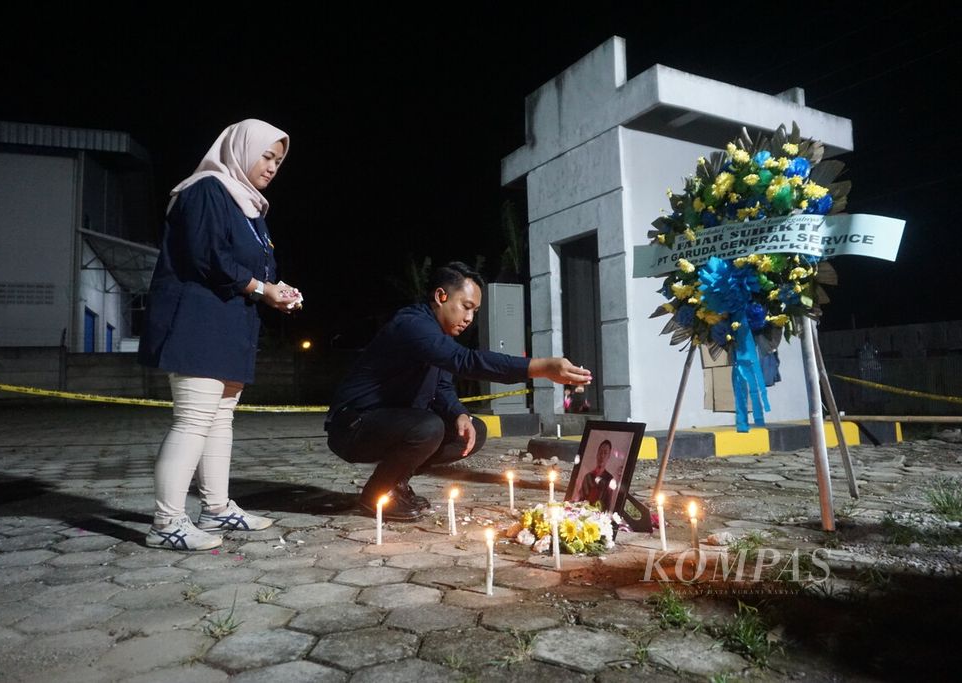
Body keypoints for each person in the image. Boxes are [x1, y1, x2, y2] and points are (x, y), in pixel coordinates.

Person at [138, 119, 301, 551]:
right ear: (240, 148)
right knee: (192, 420)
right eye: (266, 155)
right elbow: (207, 255)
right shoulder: (207, 188)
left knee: (221, 418)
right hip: (198, 320)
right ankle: (166, 523)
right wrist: (262, 289)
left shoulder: (251, 206)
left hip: (231, 324)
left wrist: (277, 291)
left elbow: (255, 269)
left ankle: (216, 509)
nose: (272, 167)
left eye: (279, 161)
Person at [326, 261, 592, 521]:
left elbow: (441, 386)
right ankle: (376, 493)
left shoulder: (439, 336)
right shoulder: (412, 325)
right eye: (466, 307)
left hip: (390, 423)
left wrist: (459, 414)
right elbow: (466, 361)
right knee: (428, 427)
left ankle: (397, 483)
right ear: (441, 296)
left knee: (471, 431)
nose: (469, 318)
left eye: (474, 311)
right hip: (353, 425)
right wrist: (541, 367)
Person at [578, 439, 616, 511]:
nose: (602, 455)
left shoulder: (609, 479)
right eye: (600, 452)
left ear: (609, 456)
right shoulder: (588, 477)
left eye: (605, 453)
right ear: (597, 454)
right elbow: (581, 499)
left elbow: (607, 504)